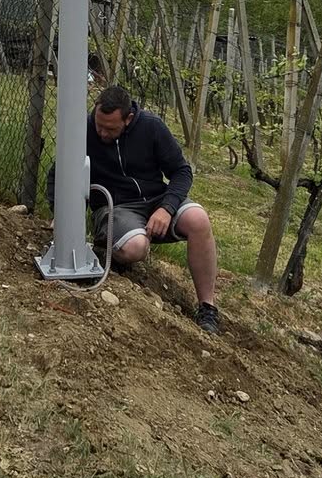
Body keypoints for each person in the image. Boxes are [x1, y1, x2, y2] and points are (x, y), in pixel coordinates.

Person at [86, 84, 221, 334]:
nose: (102, 133)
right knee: (135, 247)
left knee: (199, 219)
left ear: (128, 119)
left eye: (110, 129)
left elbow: (181, 171)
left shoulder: (152, 127)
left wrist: (167, 208)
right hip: (116, 206)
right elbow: (59, 172)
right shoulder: (84, 130)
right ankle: (108, 248)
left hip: (156, 200)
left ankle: (207, 307)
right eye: (99, 125)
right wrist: (58, 212)